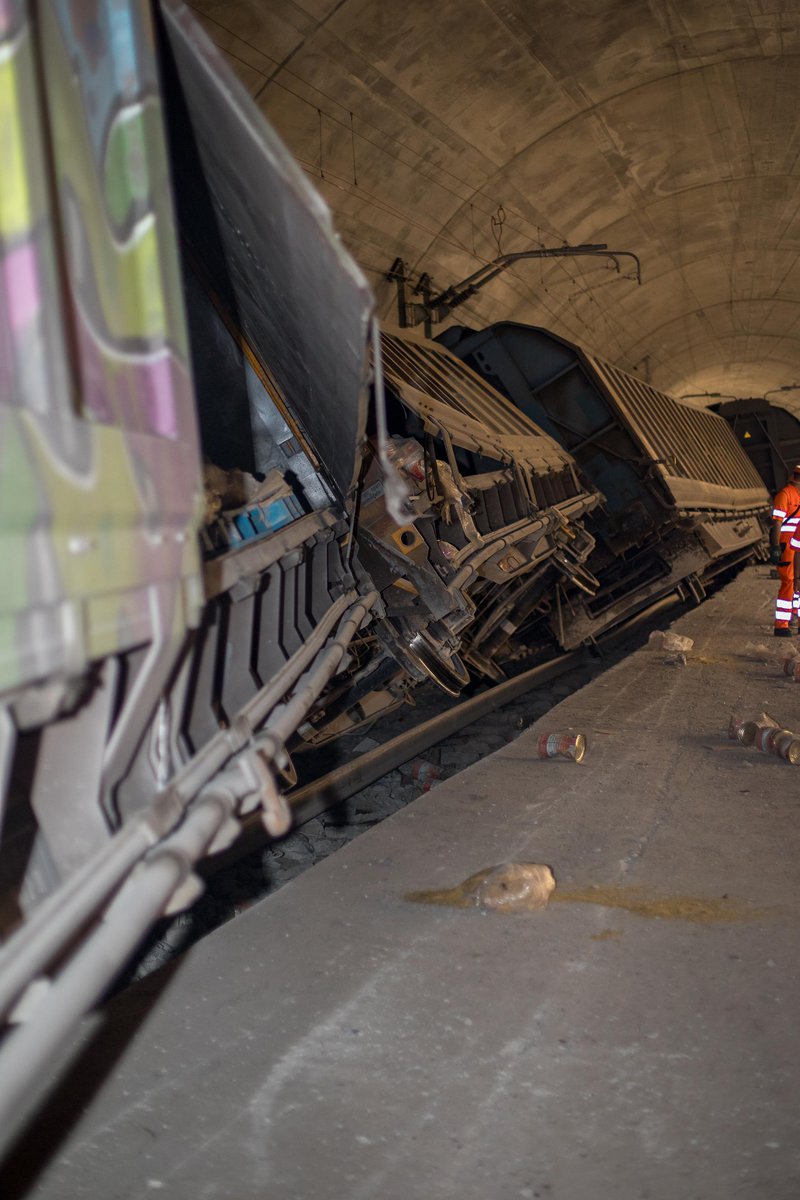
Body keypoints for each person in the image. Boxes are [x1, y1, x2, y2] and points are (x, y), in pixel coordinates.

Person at [771, 466, 800, 635]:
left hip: (796, 544)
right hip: (787, 546)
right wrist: (775, 547)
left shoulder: (797, 494)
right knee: (789, 582)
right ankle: (781, 625)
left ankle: (794, 616)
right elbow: (777, 522)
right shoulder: (785, 495)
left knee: (797, 582)